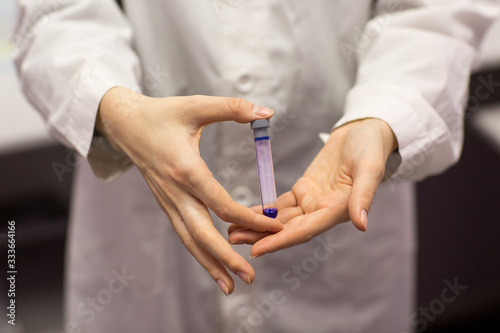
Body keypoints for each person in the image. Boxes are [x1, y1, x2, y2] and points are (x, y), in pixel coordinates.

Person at [13, 0, 498, 332]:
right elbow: (56, 13)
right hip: (144, 254)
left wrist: (383, 116)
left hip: (338, 241)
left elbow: (431, 12)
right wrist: (116, 108)